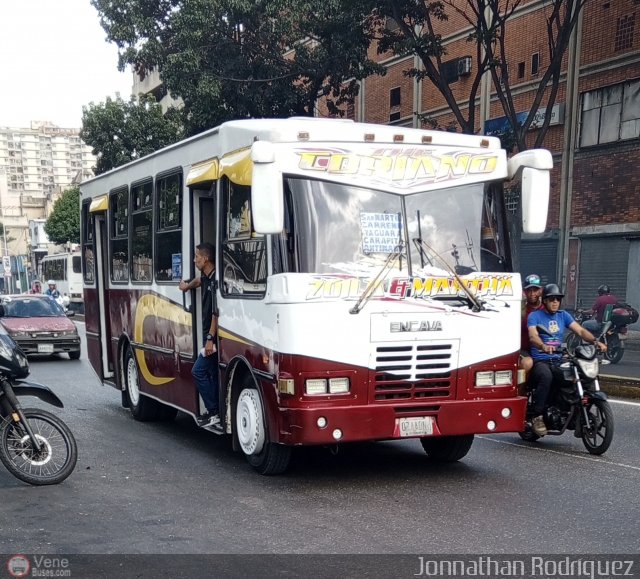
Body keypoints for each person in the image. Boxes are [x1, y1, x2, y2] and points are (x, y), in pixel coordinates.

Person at [527, 284, 605, 437]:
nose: (555, 302)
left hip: (558, 358)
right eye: (551, 299)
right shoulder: (535, 316)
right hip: (541, 360)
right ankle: (537, 416)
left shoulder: (563, 315)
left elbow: (581, 330)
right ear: (545, 301)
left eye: (557, 299)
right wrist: (543, 346)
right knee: (546, 376)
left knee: (578, 375)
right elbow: (532, 336)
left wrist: (596, 342)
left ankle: (576, 414)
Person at [179, 242, 220, 429]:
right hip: (207, 335)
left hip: (213, 337)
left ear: (205, 258)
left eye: (196, 256)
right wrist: (187, 286)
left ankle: (214, 411)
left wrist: (210, 339)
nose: (194, 259)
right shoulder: (206, 277)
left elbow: (216, 313)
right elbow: (198, 281)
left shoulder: (216, 281)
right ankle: (216, 412)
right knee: (212, 374)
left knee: (198, 371)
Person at [519, 274, 544, 372]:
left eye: (535, 290)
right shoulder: (521, 309)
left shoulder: (546, 309)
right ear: (525, 292)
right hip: (525, 350)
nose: (532, 293)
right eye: (529, 290)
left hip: (543, 350)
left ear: (540, 290)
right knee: (527, 363)